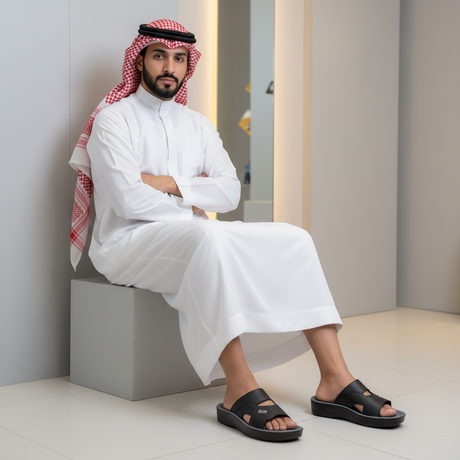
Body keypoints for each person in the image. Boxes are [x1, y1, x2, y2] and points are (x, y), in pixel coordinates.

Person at [69, 19, 405, 442]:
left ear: (188, 64)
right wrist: (194, 197)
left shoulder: (198, 124)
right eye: (159, 56)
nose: (169, 67)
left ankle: (334, 380)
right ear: (139, 61)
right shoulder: (113, 120)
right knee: (208, 236)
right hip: (126, 243)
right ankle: (237, 388)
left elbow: (228, 192)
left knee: (294, 238)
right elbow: (128, 202)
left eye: (179, 58)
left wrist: (166, 183)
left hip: (188, 236)